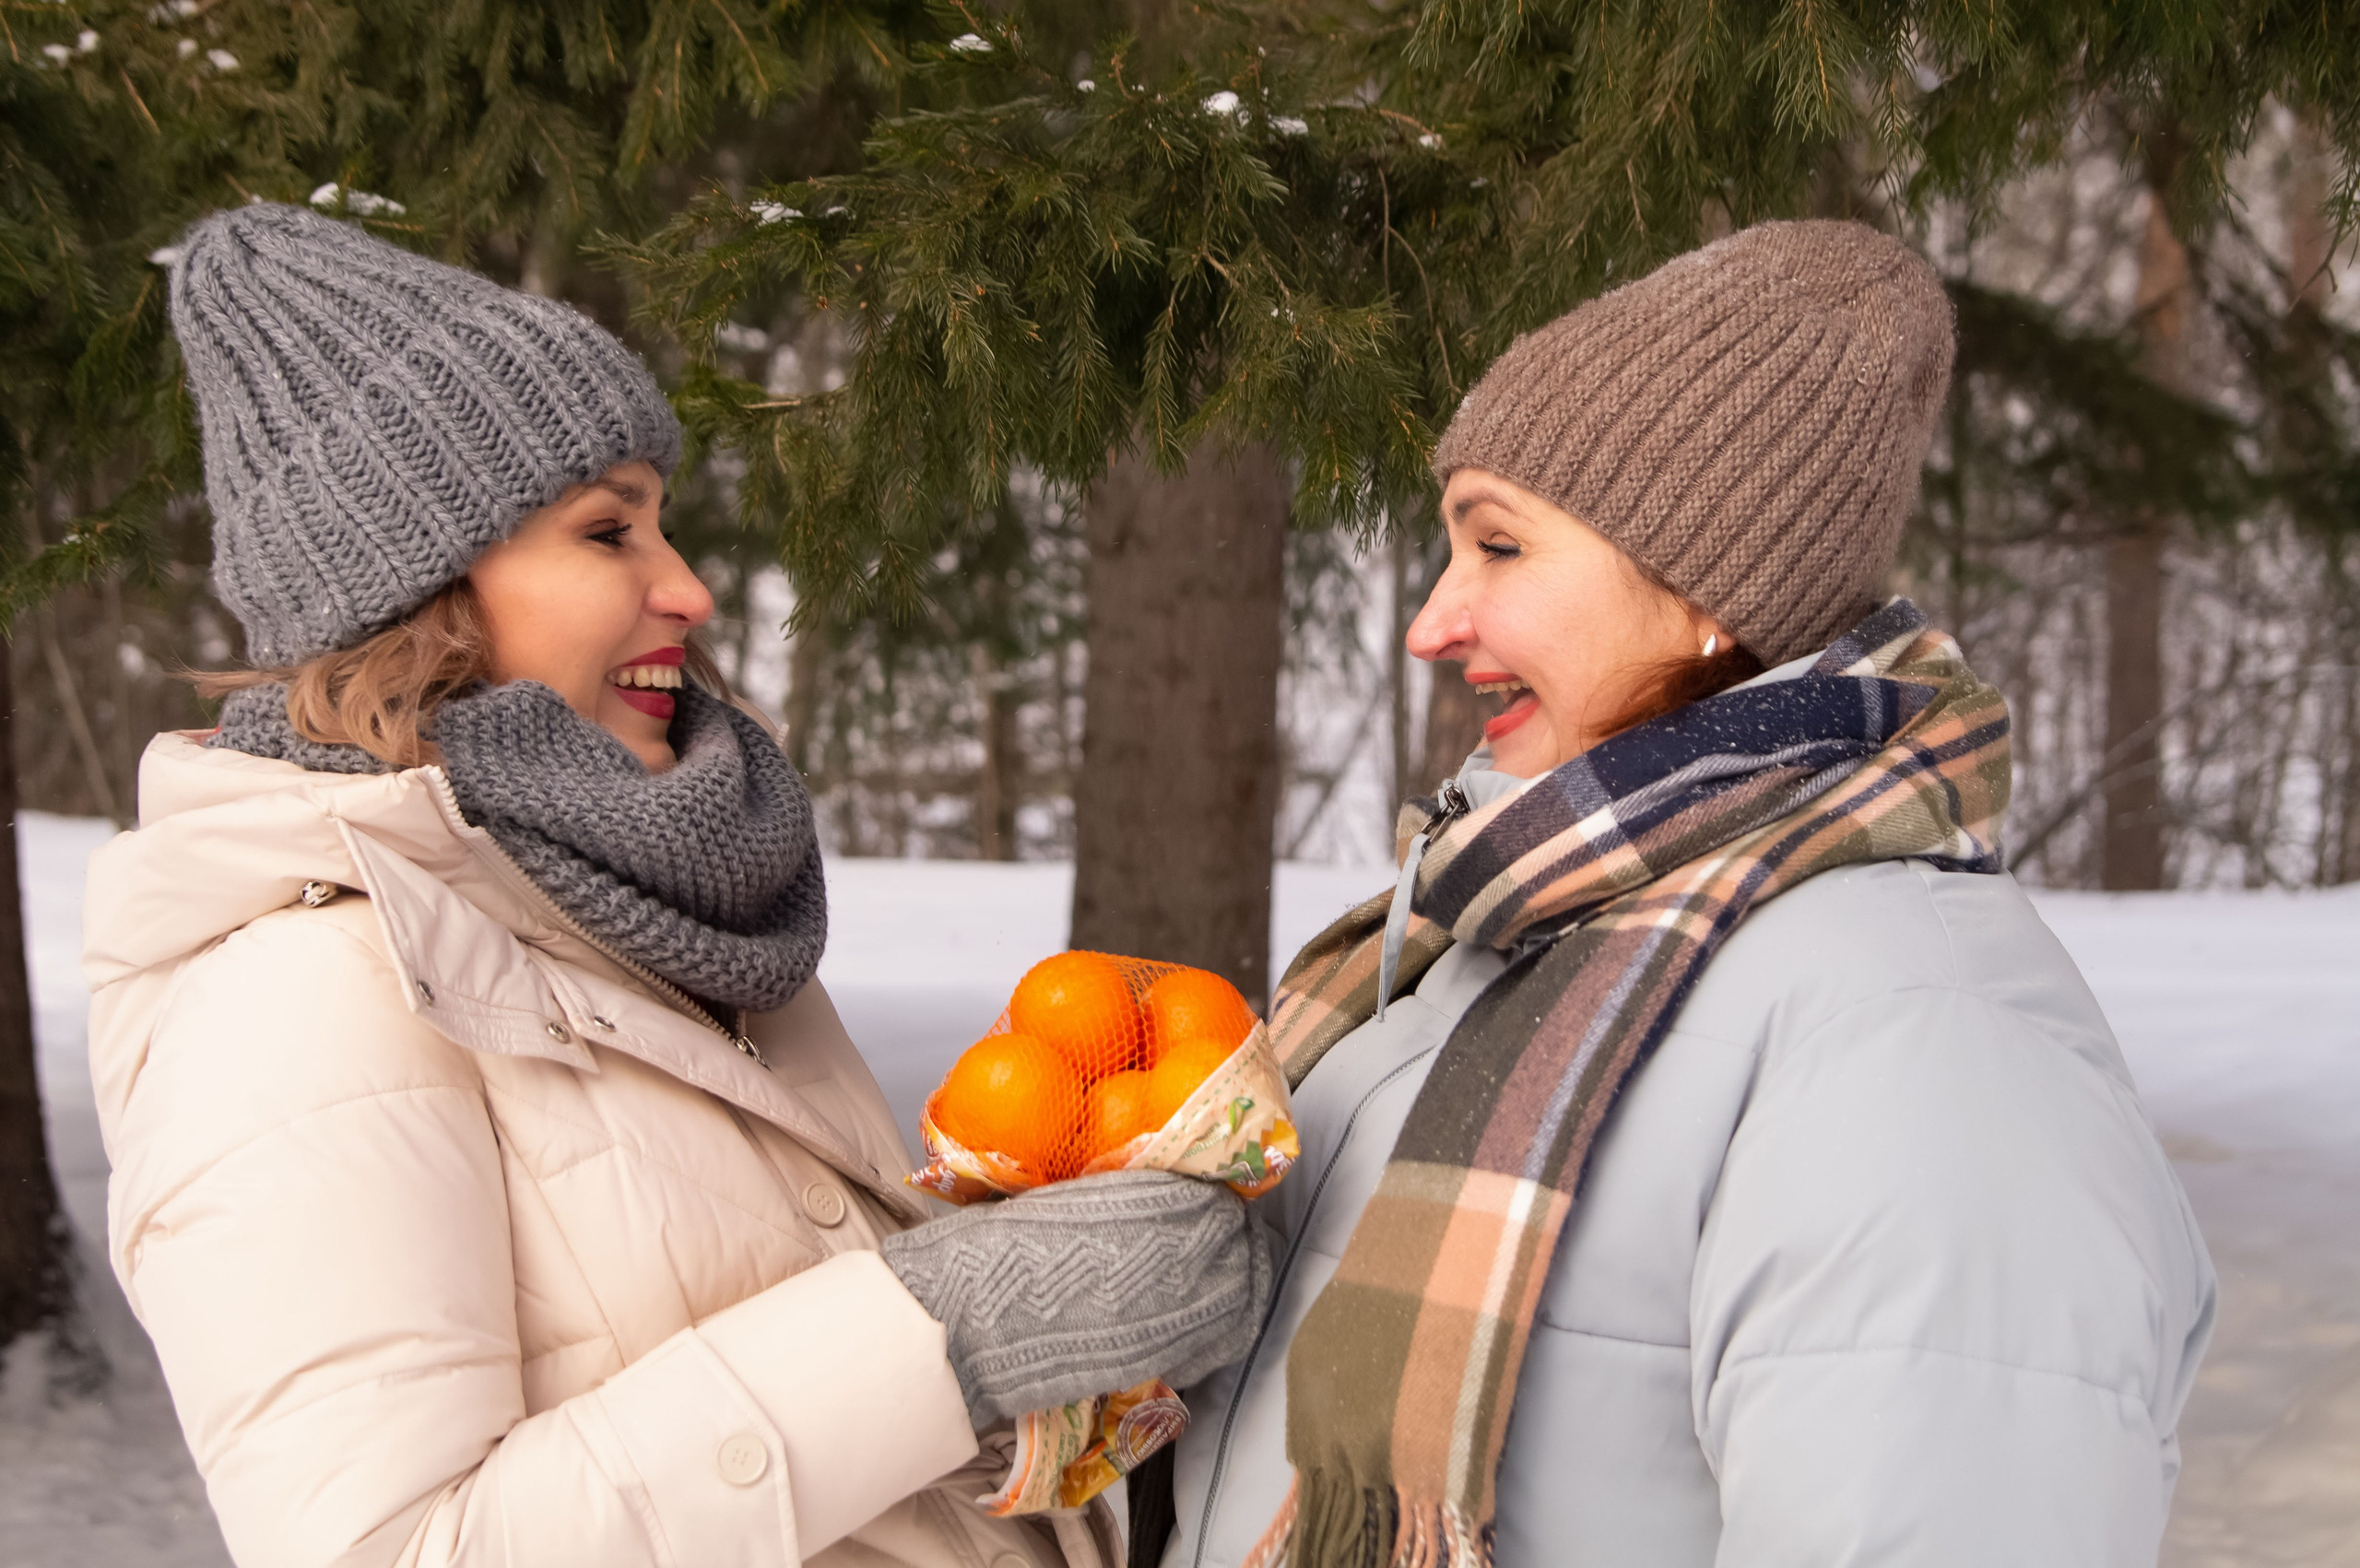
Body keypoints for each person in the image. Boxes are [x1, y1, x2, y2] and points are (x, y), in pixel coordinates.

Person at [82, 202, 1268, 1568]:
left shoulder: (658, 905)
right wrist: (937, 1331)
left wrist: (1033, 1363)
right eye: (609, 533)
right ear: (419, 591)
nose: (691, 589)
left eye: (665, 525)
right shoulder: (300, 992)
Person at [1160, 221, 2215, 1568]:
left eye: (1500, 547)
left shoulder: (1923, 1035)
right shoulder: (1489, 939)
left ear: (1706, 588)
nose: (1433, 620)